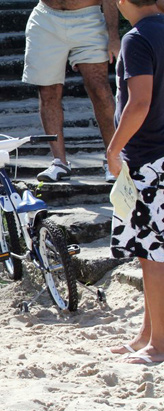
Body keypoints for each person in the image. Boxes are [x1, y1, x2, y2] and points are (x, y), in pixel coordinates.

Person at [106, 0, 164, 363]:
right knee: (150, 254)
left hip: (149, 160)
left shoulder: (136, 38)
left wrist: (114, 149)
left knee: (153, 256)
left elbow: (138, 103)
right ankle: (147, 333)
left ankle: (158, 344)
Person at [22, 0, 120, 182]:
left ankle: (113, 159)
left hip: (88, 17)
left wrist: (113, 36)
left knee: (99, 89)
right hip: (46, 17)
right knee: (48, 91)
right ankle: (59, 162)